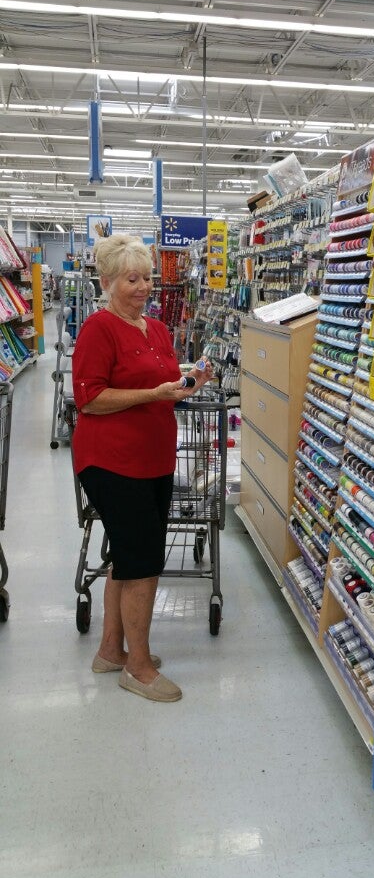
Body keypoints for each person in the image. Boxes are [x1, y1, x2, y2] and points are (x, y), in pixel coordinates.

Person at [72, 234, 213, 703]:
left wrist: (189, 383)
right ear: (107, 282)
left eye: (147, 278)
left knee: (128, 556)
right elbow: (90, 398)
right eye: (131, 279)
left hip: (153, 459)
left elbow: (164, 384)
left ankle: (111, 651)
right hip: (112, 461)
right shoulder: (99, 329)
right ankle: (138, 668)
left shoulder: (156, 329)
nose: (143, 287)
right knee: (144, 563)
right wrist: (154, 394)